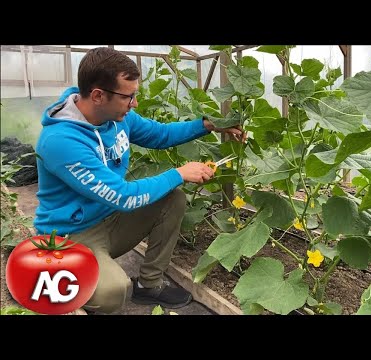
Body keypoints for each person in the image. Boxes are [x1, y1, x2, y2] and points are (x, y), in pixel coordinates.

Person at [34, 47, 246, 314]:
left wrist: (207, 125)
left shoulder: (115, 118)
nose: (134, 103)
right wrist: (179, 173)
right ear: (98, 96)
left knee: (172, 199)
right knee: (113, 292)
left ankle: (149, 285)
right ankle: (54, 274)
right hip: (69, 236)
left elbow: (161, 135)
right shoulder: (61, 141)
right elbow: (122, 196)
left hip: (109, 219)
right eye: (128, 96)